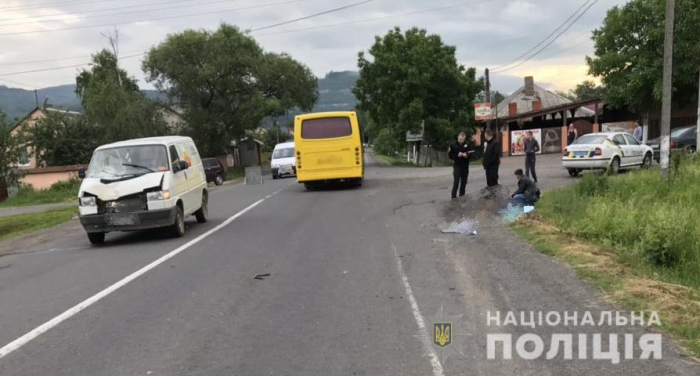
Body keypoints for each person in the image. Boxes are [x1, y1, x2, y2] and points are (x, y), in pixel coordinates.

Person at [448, 132, 473, 199]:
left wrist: (466, 155)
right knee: (456, 183)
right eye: (460, 139)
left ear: (464, 139)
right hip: (457, 166)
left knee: (463, 184)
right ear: (458, 137)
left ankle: (461, 199)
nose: (461, 140)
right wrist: (457, 155)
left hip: (465, 166)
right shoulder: (453, 145)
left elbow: (471, 153)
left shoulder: (467, 144)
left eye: (463, 139)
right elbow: (450, 155)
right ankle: (453, 199)